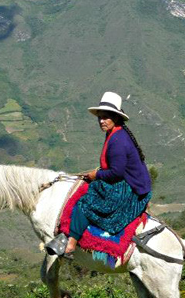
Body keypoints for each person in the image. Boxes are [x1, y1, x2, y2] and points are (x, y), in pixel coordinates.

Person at [58, 91, 152, 257]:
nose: (101, 121)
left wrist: (96, 175)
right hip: (128, 181)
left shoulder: (118, 140)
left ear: (115, 117)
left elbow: (116, 173)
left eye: (106, 117)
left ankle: (71, 244)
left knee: (86, 203)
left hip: (130, 189)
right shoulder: (116, 133)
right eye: (100, 117)